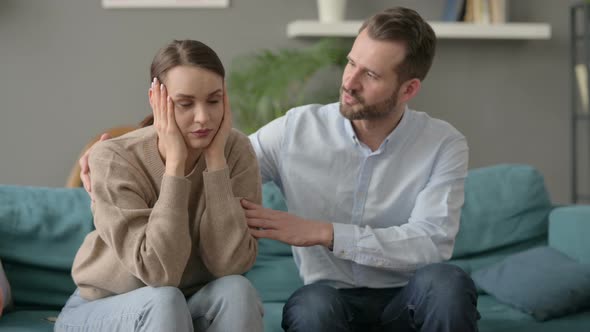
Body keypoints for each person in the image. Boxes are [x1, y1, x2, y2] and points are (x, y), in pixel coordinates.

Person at [81, 7, 479, 332]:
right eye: (351, 63)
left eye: (370, 75)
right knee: (311, 309)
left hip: (409, 295)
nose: (349, 82)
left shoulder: (443, 144)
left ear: (408, 89)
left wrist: (324, 233)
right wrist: (117, 157)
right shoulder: (297, 130)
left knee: (447, 284)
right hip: (329, 297)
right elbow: (209, 153)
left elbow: (432, 244)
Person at [57, 39, 263, 332]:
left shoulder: (236, 150)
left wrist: (216, 161)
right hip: (104, 306)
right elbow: (159, 272)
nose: (203, 117)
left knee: (237, 291)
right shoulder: (114, 159)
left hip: (188, 301)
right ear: (156, 99)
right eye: (186, 103)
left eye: (214, 100)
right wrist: (175, 166)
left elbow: (230, 265)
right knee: (164, 299)